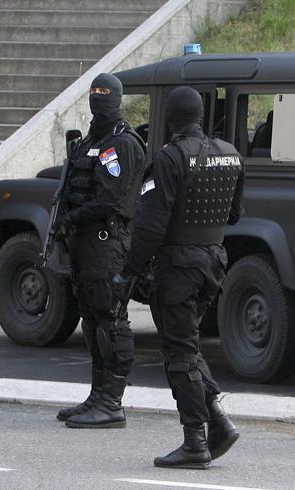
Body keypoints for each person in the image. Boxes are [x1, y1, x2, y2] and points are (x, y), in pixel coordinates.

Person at [114, 86, 243, 469]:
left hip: (179, 267)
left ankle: (195, 442)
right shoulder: (231, 154)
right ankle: (217, 420)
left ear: (170, 119)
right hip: (213, 262)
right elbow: (235, 214)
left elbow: (150, 228)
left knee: (179, 353)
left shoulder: (169, 159)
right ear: (201, 116)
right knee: (186, 344)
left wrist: (128, 273)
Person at [53, 73, 146, 428]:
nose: (98, 102)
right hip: (84, 246)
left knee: (110, 321)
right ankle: (97, 395)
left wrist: (73, 217)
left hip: (107, 243)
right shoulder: (91, 139)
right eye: (94, 95)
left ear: (116, 100)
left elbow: (112, 198)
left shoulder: (122, 143)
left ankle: (112, 402)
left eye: (104, 96)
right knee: (91, 322)